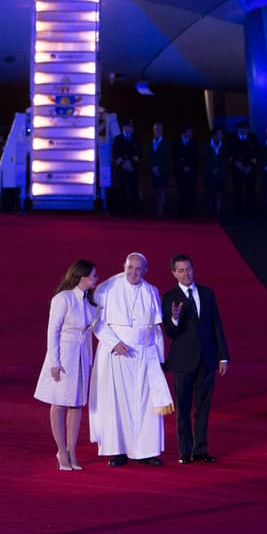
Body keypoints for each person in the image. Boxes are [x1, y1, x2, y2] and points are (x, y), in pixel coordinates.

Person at [88, 252, 174, 466]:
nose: (134, 272)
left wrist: (160, 359)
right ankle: (120, 451)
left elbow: (155, 329)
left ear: (145, 271)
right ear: (124, 266)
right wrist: (112, 342)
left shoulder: (151, 291)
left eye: (139, 269)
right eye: (130, 267)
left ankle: (146, 451)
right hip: (116, 356)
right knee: (117, 403)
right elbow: (95, 322)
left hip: (145, 356)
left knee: (146, 404)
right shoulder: (106, 289)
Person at [161, 254, 229, 464]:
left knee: (203, 407)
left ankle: (200, 450)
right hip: (182, 361)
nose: (186, 273)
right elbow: (170, 333)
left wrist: (223, 356)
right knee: (183, 407)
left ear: (194, 269)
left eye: (188, 269)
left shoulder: (207, 294)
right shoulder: (169, 297)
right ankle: (185, 451)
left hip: (207, 359)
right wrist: (174, 317)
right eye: (180, 270)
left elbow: (216, 325)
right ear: (173, 273)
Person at [34, 259, 99, 471]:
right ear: (81, 277)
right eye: (93, 276)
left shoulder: (90, 302)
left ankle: (72, 450)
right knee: (60, 403)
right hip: (64, 355)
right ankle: (61, 450)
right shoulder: (63, 299)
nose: (96, 279)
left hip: (82, 356)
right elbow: (52, 331)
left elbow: (92, 330)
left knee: (77, 403)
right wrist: (54, 361)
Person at [111, 118, 142, 217]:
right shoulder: (118, 139)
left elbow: (139, 153)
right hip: (122, 169)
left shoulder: (136, 138)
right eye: (130, 126)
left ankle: (134, 212)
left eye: (132, 127)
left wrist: (131, 163)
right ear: (124, 127)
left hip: (133, 169)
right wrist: (124, 163)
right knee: (122, 191)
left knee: (134, 191)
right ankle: (122, 212)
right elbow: (115, 154)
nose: (132, 128)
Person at [228, 121, 258, 216]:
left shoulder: (253, 137)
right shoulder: (232, 138)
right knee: (238, 190)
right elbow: (229, 153)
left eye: (247, 128)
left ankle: (251, 210)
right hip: (237, 168)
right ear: (238, 129)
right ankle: (238, 210)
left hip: (250, 169)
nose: (245, 130)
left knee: (250, 190)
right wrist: (236, 163)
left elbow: (256, 153)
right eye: (243, 128)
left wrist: (251, 165)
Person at [173, 126, 199, 218]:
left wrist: (190, 166)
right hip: (180, 172)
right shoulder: (176, 143)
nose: (191, 134)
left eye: (191, 132)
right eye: (189, 132)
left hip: (191, 172)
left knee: (191, 192)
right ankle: (181, 211)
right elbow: (174, 157)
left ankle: (190, 211)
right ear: (184, 133)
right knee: (181, 192)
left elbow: (196, 157)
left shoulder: (194, 143)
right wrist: (182, 167)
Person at [203, 127, 227, 218]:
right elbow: (206, 159)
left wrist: (218, 168)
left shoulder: (224, 145)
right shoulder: (207, 145)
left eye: (221, 134)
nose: (221, 136)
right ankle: (210, 211)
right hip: (209, 172)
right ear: (214, 135)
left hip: (220, 173)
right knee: (210, 192)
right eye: (219, 134)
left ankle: (218, 211)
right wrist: (212, 169)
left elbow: (224, 159)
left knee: (218, 192)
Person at [148, 122, 171, 217]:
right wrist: (153, 166)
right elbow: (149, 156)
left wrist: (158, 167)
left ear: (162, 131)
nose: (156, 131)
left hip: (163, 170)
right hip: (154, 170)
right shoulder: (151, 143)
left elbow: (166, 157)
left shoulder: (166, 143)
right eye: (155, 129)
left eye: (158, 129)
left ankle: (160, 212)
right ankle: (157, 209)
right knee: (156, 190)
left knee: (162, 190)